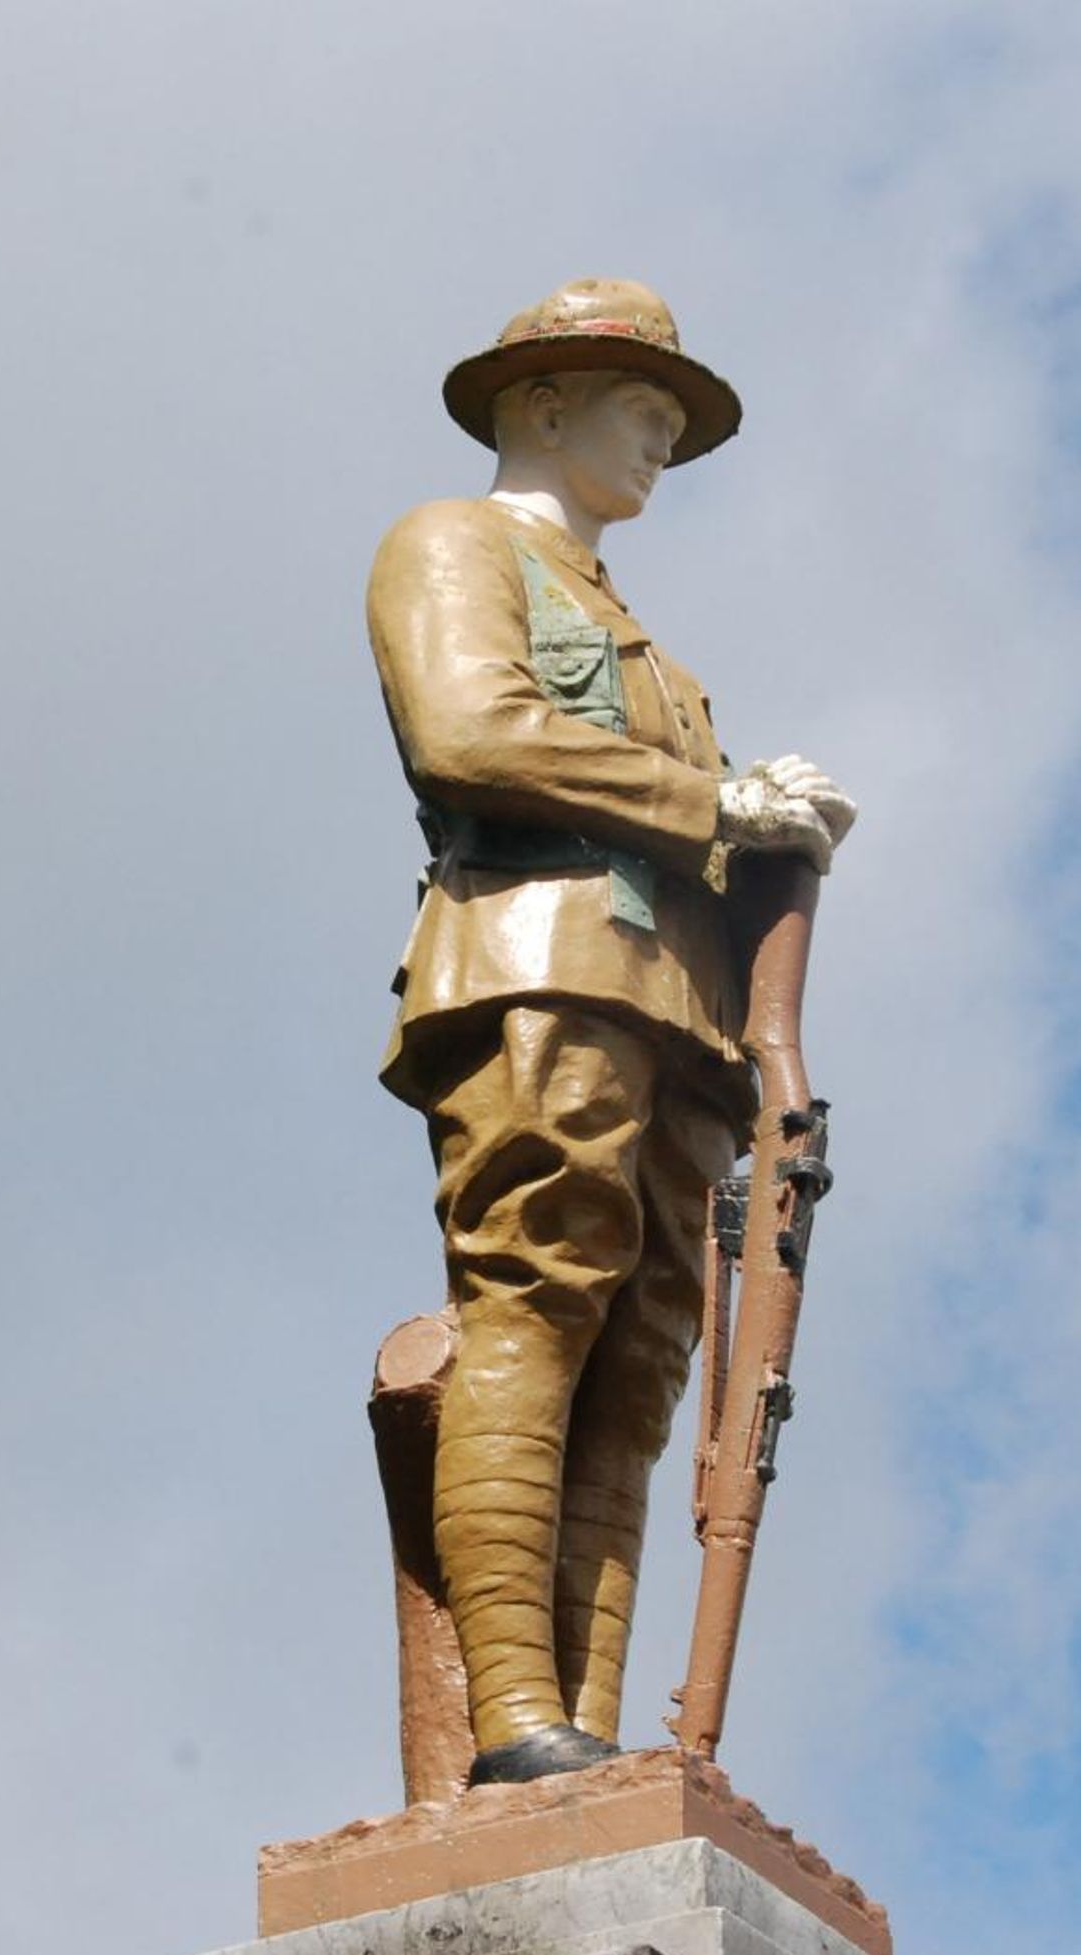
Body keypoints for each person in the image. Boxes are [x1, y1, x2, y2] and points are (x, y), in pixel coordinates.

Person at [367, 278, 856, 1785]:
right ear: (543, 403)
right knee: (536, 1300)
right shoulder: (452, 544)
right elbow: (469, 731)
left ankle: (586, 1728)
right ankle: (515, 1715)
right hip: (540, 968)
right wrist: (718, 802)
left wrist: (773, 840)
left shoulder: (654, 651)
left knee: (640, 1367)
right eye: (643, 407)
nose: (660, 442)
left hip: (678, 1018)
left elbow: (688, 829)